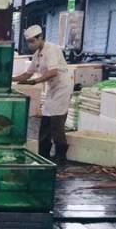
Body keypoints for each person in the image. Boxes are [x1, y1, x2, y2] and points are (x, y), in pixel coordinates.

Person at [13, 25, 73, 164]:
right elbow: (27, 74)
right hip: (52, 89)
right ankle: (44, 154)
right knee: (46, 119)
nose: (30, 44)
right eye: (28, 42)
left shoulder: (51, 49)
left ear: (40, 37)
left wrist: (34, 82)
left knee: (56, 121)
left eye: (32, 41)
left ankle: (61, 156)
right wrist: (11, 79)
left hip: (62, 88)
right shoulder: (37, 55)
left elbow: (53, 72)